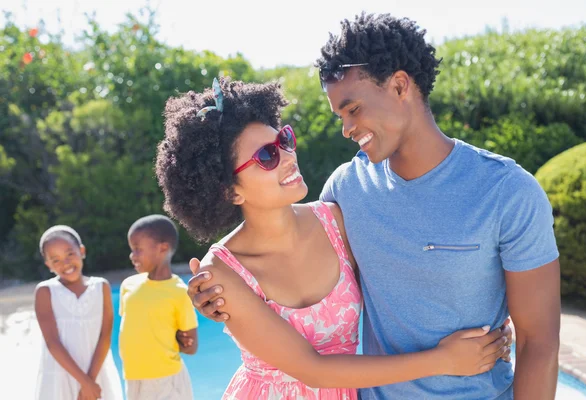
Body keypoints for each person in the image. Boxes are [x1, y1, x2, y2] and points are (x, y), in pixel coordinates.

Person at [191, 13, 562, 400]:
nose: (346, 129)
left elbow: (539, 343)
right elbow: (282, 248)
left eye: (353, 109)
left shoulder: (508, 192)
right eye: (339, 116)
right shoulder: (346, 191)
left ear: (400, 85)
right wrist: (217, 296)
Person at [155, 77, 512, 399]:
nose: (288, 157)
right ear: (230, 191)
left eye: (284, 140)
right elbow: (312, 369)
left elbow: (408, 274)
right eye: (267, 156)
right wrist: (444, 360)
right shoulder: (222, 275)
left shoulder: (335, 220)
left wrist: (487, 320)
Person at [34, 225, 123, 400]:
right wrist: (85, 383)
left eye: (70, 254)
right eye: (56, 260)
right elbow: (52, 342)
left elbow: (105, 336)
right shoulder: (45, 291)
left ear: (81, 251)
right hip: (60, 375)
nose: (65, 263)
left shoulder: (101, 286)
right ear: (48, 265)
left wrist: (91, 381)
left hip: (97, 373)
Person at [119, 215, 198, 400]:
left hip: (166, 380)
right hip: (133, 378)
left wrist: (178, 340)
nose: (132, 256)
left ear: (162, 248)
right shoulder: (128, 285)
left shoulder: (179, 292)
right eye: (132, 250)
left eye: (137, 250)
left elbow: (191, 347)